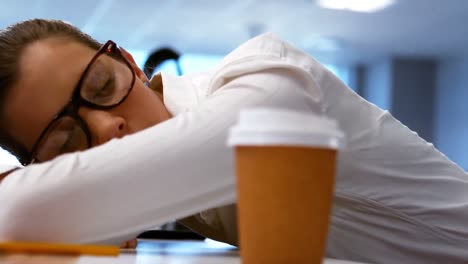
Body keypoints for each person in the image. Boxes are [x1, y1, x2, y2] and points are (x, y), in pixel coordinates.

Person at [0, 19, 467, 264]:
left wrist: (60, 198)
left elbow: (18, 213)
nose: (105, 129)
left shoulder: (271, 75)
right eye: (66, 144)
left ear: (130, 62)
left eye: (102, 86)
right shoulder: (174, 188)